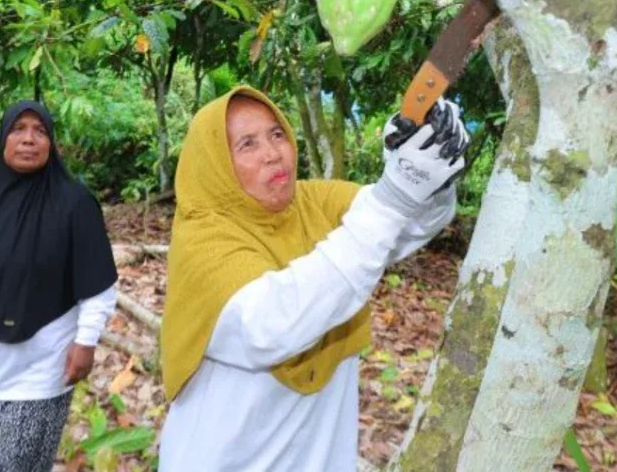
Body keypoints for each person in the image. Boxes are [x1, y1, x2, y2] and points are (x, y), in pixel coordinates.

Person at [159, 85, 468, 471]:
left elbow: (398, 227)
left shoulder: (310, 203)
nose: (272, 153)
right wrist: (395, 197)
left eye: (276, 134)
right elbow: (272, 323)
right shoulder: (202, 238)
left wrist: (430, 182)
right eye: (247, 144)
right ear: (215, 163)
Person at [0, 101, 118, 472]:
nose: (29, 139)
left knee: (10, 463)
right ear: (3, 139)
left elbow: (98, 286)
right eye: (18, 129)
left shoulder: (75, 203)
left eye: (40, 130)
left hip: (42, 368)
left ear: (51, 143)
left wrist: (86, 342)